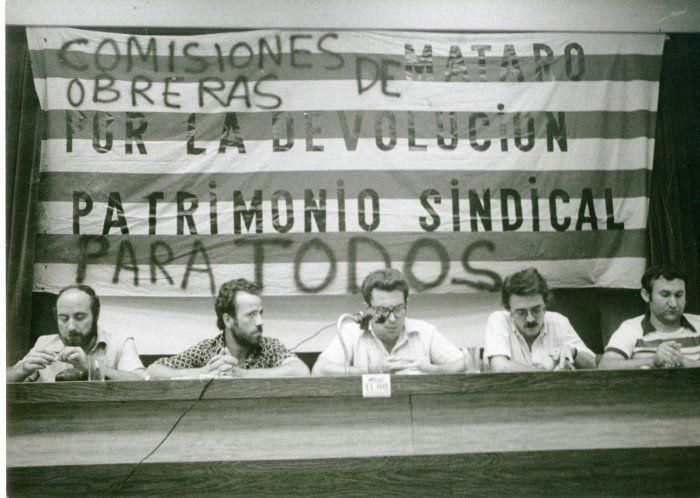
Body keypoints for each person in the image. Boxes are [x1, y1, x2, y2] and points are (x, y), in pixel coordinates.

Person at [147, 278, 309, 379]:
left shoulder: (269, 347)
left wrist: (242, 375)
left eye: (260, 313)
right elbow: (154, 370)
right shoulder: (207, 350)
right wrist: (204, 372)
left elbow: (301, 370)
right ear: (228, 320)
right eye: (251, 315)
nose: (260, 321)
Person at [312, 269, 463, 376]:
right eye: (383, 310)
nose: (392, 319)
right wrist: (371, 370)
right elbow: (319, 370)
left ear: (407, 304)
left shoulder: (424, 331)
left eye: (398, 309)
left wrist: (430, 369)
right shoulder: (352, 332)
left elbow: (462, 363)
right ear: (368, 309)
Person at [6, 284, 147, 382]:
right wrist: (21, 371)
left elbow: (143, 381)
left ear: (96, 316)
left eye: (80, 317)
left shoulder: (120, 343)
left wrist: (90, 367)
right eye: (63, 318)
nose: (71, 327)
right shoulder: (44, 343)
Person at [484, 268, 596, 372]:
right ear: (509, 310)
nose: (530, 318)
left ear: (545, 305)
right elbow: (500, 366)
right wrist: (547, 374)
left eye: (536, 310)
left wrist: (573, 352)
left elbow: (592, 366)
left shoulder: (558, 321)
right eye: (521, 312)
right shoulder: (499, 319)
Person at [599, 267, 700, 370]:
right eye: (665, 295)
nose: (673, 304)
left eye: (679, 295)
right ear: (646, 295)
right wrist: (651, 361)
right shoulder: (631, 328)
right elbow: (605, 366)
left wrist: (693, 365)